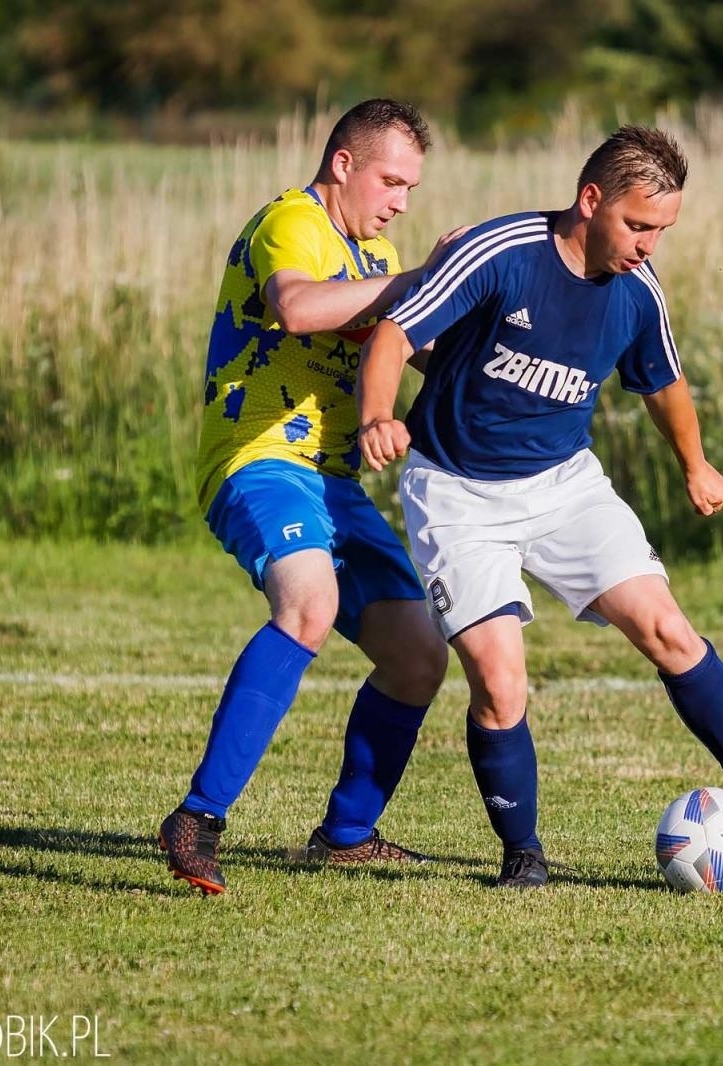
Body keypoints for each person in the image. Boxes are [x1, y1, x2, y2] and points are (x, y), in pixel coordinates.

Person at [355, 125, 723, 889]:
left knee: (667, 627)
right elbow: (395, 329)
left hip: (564, 486)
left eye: (663, 230)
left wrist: (696, 464)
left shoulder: (636, 292)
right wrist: (378, 414)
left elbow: (663, 383)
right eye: (639, 225)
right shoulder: (501, 252)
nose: (650, 244)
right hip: (457, 491)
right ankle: (523, 856)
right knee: (498, 679)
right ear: (591, 200)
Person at [159, 98, 457, 895]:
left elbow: (421, 352)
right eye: (391, 181)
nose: (399, 201)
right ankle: (198, 816)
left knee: (420, 655)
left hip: (333, 481)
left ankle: (347, 834)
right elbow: (297, 307)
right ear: (344, 165)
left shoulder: (377, 255)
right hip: (257, 458)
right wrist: (418, 277)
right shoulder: (291, 222)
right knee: (309, 604)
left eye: (411, 189)